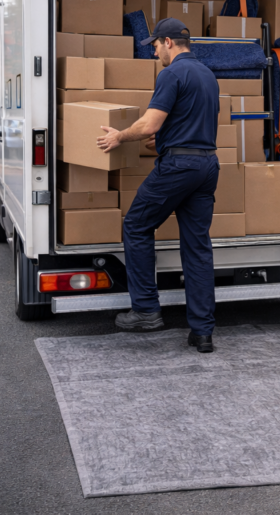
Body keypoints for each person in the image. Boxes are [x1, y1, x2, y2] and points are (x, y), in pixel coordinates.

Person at [96, 18, 221, 353]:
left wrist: (119, 136)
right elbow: (189, 121)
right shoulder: (208, 75)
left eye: (154, 46)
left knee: (136, 225)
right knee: (197, 247)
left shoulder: (171, 73)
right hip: (207, 164)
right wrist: (165, 140)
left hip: (179, 167)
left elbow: (151, 122)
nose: (154, 53)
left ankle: (146, 310)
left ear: (168, 43)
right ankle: (203, 332)